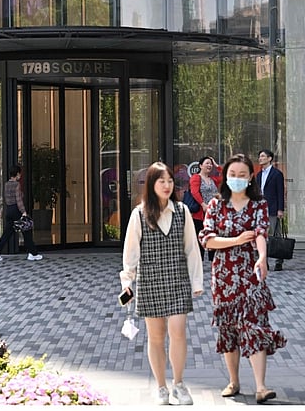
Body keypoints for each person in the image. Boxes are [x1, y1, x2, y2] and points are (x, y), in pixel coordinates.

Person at [199, 154, 286, 405]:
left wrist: (262, 258)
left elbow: (260, 233)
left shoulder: (259, 205)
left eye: (242, 175)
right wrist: (236, 240)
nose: (237, 179)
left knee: (254, 325)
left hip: (250, 274)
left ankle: (261, 386)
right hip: (224, 275)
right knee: (229, 328)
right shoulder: (216, 205)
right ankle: (234, 381)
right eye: (233, 174)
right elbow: (207, 239)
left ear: (251, 178)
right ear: (226, 177)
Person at [120, 162, 204, 405]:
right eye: (161, 181)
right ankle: (161, 386)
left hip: (177, 280)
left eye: (170, 181)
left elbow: (192, 249)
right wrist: (127, 281)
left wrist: (196, 281)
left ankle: (179, 384)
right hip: (150, 282)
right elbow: (131, 252)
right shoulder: (139, 214)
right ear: (151, 184)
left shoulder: (182, 212)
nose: (167, 186)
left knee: (178, 332)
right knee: (156, 337)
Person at [0, 164, 42, 262]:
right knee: (27, 230)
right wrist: (24, 212)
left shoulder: (6, 184)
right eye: (19, 174)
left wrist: (2, 210)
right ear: (17, 174)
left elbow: (5, 199)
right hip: (16, 210)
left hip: (8, 210)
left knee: (7, 232)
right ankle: (33, 253)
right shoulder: (17, 185)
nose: (20, 176)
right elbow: (18, 200)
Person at [257, 149, 286, 271]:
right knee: (263, 235)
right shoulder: (258, 175)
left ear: (269, 158)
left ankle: (279, 261)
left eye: (263, 156)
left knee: (276, 235)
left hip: (273, 208)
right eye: (259, 156)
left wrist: (280, 209)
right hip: (260, 209)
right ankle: (265, 260)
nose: (260, 158)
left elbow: (280, 192)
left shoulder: (277, 174)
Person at [188, 156, 221, 260]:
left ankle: (212, 259)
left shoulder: (213, 179)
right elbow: (194, 192)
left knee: (213, 235)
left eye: (211, 164)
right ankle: (199, 260)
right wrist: (203, 204)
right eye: (207, 163)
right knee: (199, 237)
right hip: (200, 213)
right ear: (200, 166)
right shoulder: (196, 177)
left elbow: (225, 176)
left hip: (213, 213)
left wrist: (217, 166)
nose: (209, 165)